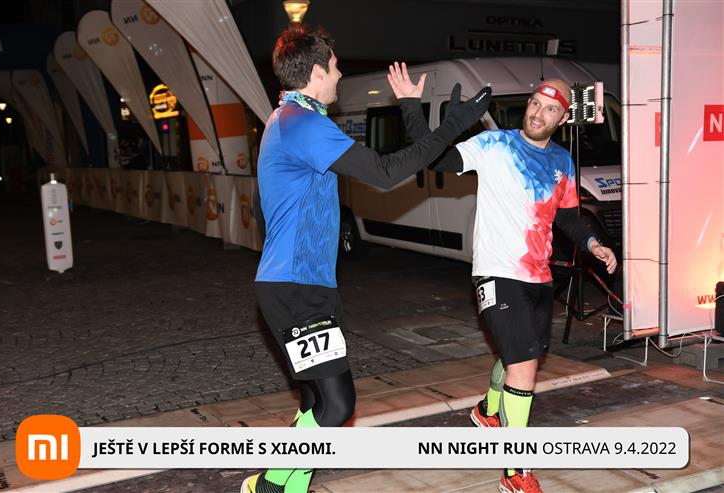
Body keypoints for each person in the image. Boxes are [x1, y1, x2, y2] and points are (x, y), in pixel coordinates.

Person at [242, 27, 491, 493]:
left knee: (316, 404)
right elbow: (385, 172)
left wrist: (412, 110)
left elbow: (263, 204)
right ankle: (268, 485)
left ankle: (291, 489)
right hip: (297, 287)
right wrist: (451, 126)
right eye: (336, 66)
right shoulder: (303, 123)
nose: (340, 74)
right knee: (338, 405)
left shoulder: (286, 119)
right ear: (318, 71)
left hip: (301, 283)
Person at [389, 63, 617, 493]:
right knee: (524, 365)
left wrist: (593, 244)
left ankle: (489, 410)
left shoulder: (562, 161)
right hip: (495, 272)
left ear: (563, 118)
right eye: (535, 104)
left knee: (519, 357)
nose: (538, 113)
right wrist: (410, 107)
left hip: (538, 276)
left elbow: (568, 218)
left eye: (549, 109)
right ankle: (515, 472)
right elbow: (435, 157)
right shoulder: (494, 144)